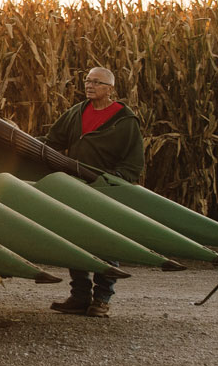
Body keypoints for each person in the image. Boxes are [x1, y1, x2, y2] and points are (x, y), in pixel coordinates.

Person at [44, 66, 146, 317]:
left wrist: (113, 181)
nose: (89, 85)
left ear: (110, 89)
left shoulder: (124, 121)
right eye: (87, 81)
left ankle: (101, 300)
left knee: (105, 244)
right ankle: (79, 296)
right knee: (75, 240)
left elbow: (133, 163)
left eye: (97, 82)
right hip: (75, 188)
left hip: (105, 191)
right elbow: (51, 143)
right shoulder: (76, 113)